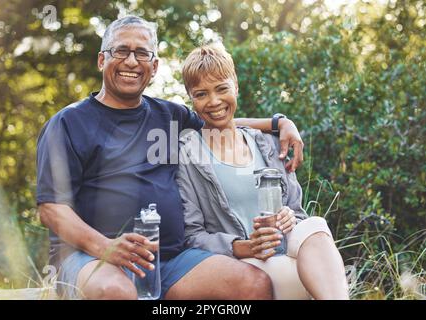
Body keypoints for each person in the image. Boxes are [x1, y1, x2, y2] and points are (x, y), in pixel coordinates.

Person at [36, 15, 304, 300]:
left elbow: (220, 120)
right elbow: (51, 209)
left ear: (154, 68)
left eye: (142, 53)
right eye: (121, 51)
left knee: (252, 284)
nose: (131, 61)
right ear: (102, 60)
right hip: (92, 257)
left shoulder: (169, 116)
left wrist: (278, 123)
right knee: (116, 293)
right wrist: (106, 247)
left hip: (170, 260)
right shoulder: (69, 122)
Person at [177, 43, 350, 300]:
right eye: (201, 94)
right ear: (191, 98)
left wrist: (290, 218)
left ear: (235, 86)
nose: (214, 101)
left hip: (290, 253)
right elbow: (192, 236)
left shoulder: (269, 144)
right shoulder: (187, 153)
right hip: (243, 268)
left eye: (222, 89)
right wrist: (244, 247)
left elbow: (298, 214)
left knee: (315, 225)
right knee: (298, 273)